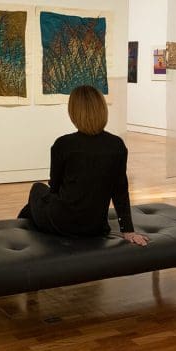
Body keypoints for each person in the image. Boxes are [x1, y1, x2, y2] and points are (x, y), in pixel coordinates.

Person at [17, 85, 149, 246]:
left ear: (73, 112)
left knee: (37, 189)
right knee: (32, 206)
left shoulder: (63, 144)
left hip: (62, 223)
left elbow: (54, 187)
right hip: (95, 226)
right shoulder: (117, 145)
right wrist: (128, 230)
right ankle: (24, 223)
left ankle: (20, 234)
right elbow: (120, 191)